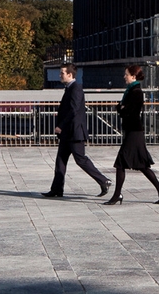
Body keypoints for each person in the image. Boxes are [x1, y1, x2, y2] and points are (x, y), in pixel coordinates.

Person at [41, 63, 109, 198]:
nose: (60, 75)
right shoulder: (69, 88)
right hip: (68, 133)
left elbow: (74, 109)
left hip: (74, 132)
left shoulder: (76, 88)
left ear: (70, 74)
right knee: (60, 160)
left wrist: (61, 125)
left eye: (62, 73)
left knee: (81, 159)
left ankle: (103, 180)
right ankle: (57, 189)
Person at [105, 64, 159, 205]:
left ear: (133, 76)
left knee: (121, 163)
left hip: (134, 131)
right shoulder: (130, 91)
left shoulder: (136, 92)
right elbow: (123, 109)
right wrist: (121, 108)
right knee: (142, 165)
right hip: (132, 131)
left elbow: (129, 112)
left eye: (126, 74)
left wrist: (121, 108)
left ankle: (117, 195)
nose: (124, 77)